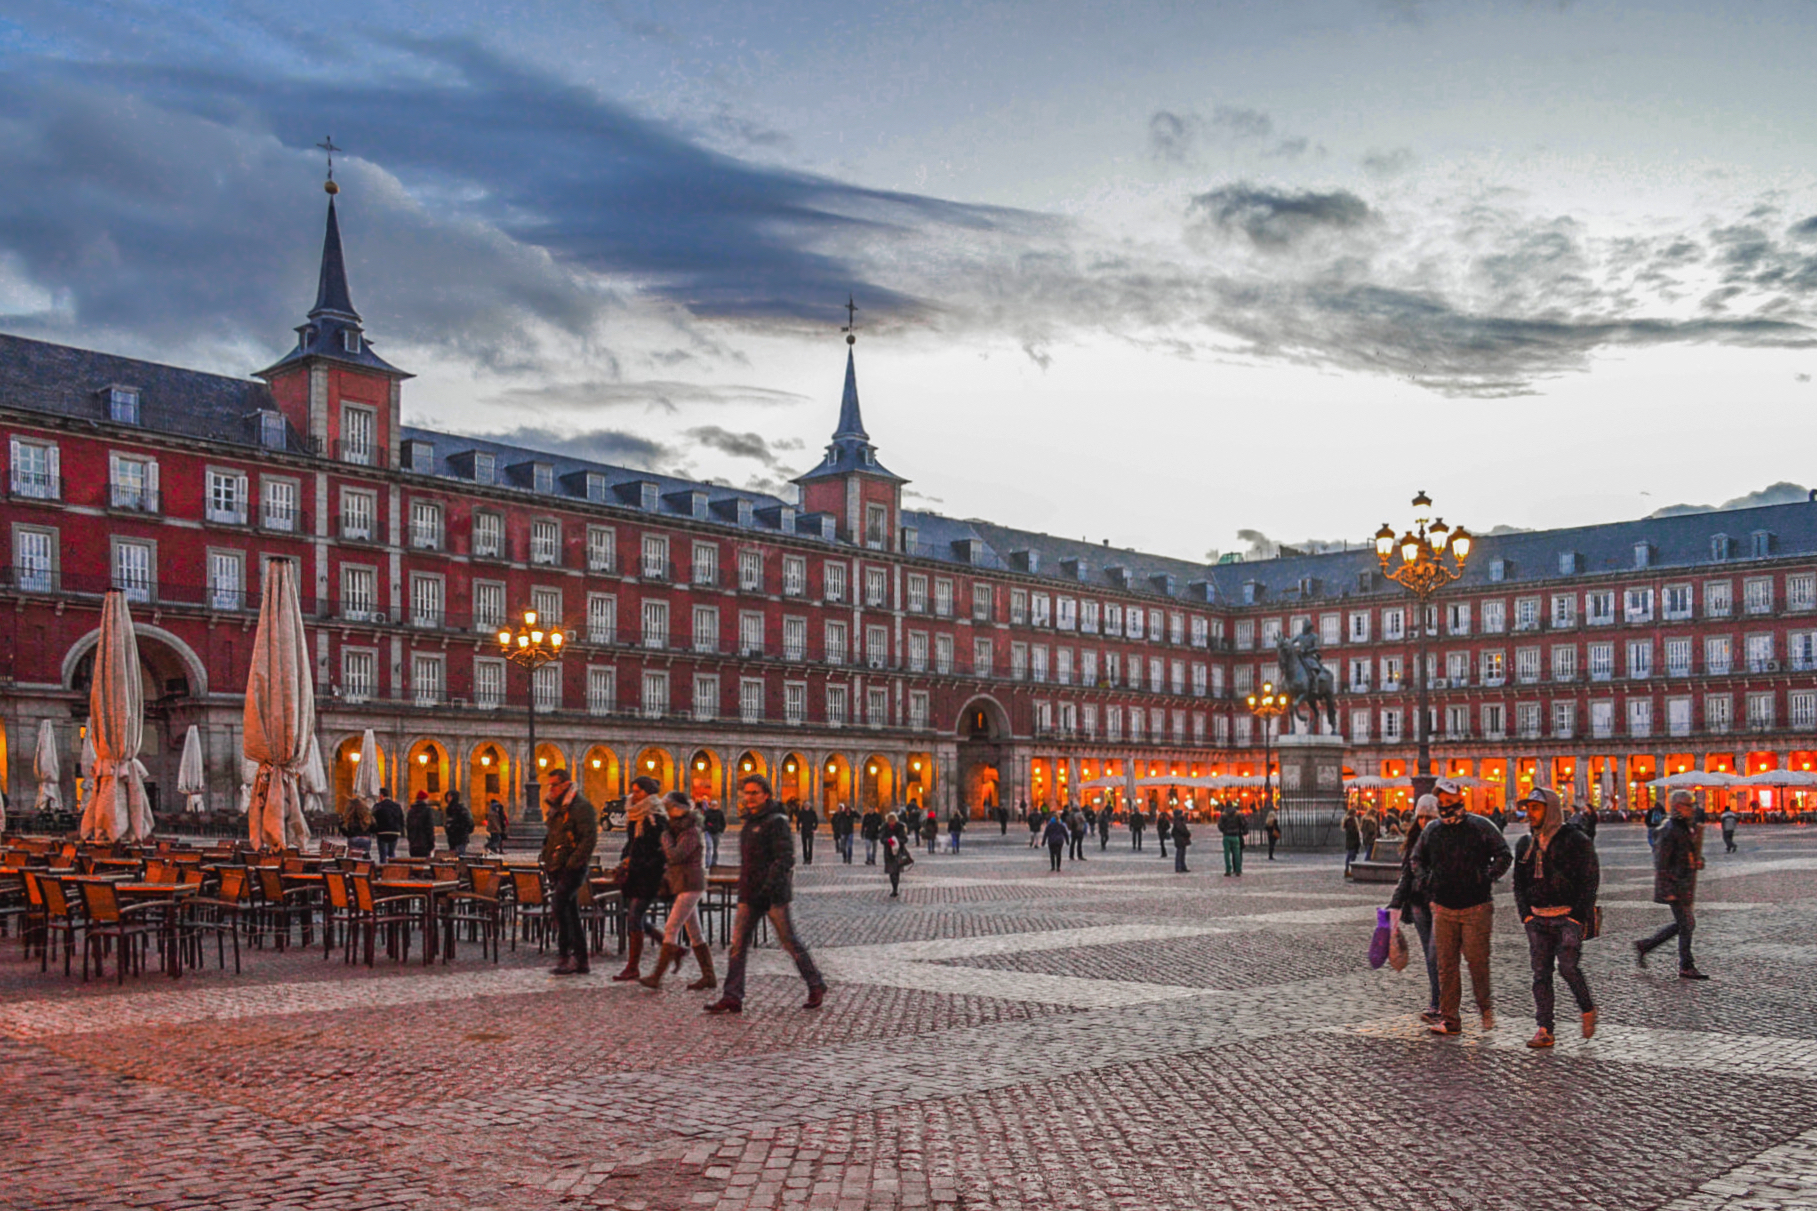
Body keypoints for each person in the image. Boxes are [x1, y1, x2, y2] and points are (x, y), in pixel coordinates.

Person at [705, 775, 827, 1014]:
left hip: (773, 896)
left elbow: (784, 859)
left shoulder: (776, 821)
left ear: (766, 795)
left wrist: (768, 889)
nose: (749, 797)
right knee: (737, 945)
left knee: (789, 941)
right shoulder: (750, 822)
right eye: (746, 792)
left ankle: (815, 983)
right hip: (749, 893)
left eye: (754, 793)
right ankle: (732, 996)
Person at [1409, 778, 1513, 1036]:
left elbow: (1504, 853)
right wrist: (1428, 883)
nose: (1444, 806)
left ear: (1459, 799)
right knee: (1446, 965)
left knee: (1477, 962)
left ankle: (1485, 1008)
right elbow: (1416, 858)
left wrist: (1485, 876)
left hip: (1476, 906)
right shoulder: (1433, 830)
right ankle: (1450, 1018)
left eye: (1448, 801)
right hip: (1443, 907)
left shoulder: (1479, 826)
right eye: (1441, 801)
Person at [1512, 786, 1600, 1049]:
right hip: (1537, 918)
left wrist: (1577, 917)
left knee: (1568, 968)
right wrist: (1525, 914)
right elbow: (1518, 882)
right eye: (1528, 808)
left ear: (1550, 809)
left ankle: (1586, 1008)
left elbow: (1590, 879)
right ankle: (1544, 1028)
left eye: (1535, 808)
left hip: (1566, 916)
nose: (1530, 813)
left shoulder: (1575, 840)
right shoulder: (1525, 843)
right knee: (1540, 974)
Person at [640, 791, 716, 992]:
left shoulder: (690, 831)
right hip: (682, 883)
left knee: (671, 927)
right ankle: (709, 976)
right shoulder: (676, 829)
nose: (667, 811)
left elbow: (676, 855)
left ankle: (657, 976)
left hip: (690, 883)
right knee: (694, 932)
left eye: (670, 806)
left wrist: (664, 836)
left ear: (680, 808)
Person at [1636, 790, 1709, 980]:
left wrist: (1698, 861)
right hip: (1675, 886)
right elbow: (1661, 862)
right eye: (1689, 805)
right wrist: (1667, 890)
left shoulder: (1684, 827)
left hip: (1683, 883)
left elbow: (1688, 855)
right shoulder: (1669, 829)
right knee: (1687, 924)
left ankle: (1646, 945)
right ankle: (1686, 965)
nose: (1693, 809)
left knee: (1684, 924)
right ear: (1678, 807)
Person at [1387, 796, 1443, 1026]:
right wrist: (1395, 904)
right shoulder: (1413, 842)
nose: (1424, 821)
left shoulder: (1444, 840)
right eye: (1420, 816)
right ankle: (1437, 1002)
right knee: (1431, 958)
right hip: (1419, 905)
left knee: (1436, 954)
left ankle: (1442, 1002)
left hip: (1440, 906)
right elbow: (1406, 877)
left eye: (1429, 817)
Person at [539, 767, 598, 976]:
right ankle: (581, 960)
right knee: (570, 912)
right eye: (550, 785)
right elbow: (553, 836)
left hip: (573, 868)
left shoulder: (580, 807)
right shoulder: (557, 807)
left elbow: (588, 839)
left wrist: (573, 862)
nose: (551, 789)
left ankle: (567, 955)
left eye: (554, 785)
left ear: (565, 784)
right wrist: (546, 858)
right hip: (557, 866)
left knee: (559, 905)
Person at [611, 776, 670, 983]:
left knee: (635, 916)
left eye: (637, 791)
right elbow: (632, 843)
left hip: (649, 875)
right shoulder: (635, 815)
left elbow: (660, 850)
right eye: (632, 790)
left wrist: (639, 862)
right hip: (634, 872)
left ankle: (632, 967)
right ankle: (674, 948)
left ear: (648, 793)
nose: (633, 795)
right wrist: (624, 860)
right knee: (636, 918)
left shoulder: (656, 817)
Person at [882, 811, 911, 896]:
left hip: (898, 852)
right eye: (890, 820)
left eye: (892, 820)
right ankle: (893, 886)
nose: (891, 822)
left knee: (896, 871)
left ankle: (895, 888)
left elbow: (905, 839)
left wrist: (897, 841)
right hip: (888, 852)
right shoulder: (885, 827)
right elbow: (881, 838)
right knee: (891, 871)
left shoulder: (900, 827)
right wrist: (888, 841)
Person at [372, 788, 404, 863]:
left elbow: (373, 820)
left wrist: (374, 831)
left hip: (382, 832)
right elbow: (401, 819)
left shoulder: (378, 806)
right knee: (391, 852)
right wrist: (400, 830)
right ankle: (392, 869)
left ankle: (384, 870)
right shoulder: (397, 806)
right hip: (394, 832)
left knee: (383, 854)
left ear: (381, 795)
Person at [1218, 800, 1247, 877]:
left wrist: (1224, 830)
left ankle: (1228, 870)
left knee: (1227, 854)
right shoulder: (1237, 814)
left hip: (1227, 835)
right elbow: (1242, 823)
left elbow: (1220, 825)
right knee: (1237, 854)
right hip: (1235, 835)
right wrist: (1239, 829)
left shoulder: (1223, 814)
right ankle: (1238, 870)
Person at [405, 791, 436, 859]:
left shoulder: (411, 810)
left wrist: (411, 840)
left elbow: (408, 827)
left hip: (413, 845)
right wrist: (431, 843)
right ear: (425, 799)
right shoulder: (427, 810)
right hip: (425, 844)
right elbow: (429, 828)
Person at [442, 791, 474, 858]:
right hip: (457, 838)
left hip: (457, 838)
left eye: (449, 796)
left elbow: (469, 823)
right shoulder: (458, 809)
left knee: (458, 857)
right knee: (458, 857)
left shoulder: (454, 810)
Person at [701, 798, 726, 869]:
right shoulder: (707, 812)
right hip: (708, 832)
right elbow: (704, 821)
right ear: (711, 805)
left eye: (715, 805)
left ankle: (714, 863)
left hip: (717, 832)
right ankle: (707, 863)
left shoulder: (720, 813)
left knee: (715, 848)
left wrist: (721, 830)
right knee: (708, 847)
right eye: (713, 805)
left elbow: (723, 822)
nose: (714, 806)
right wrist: (705, 828)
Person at [795, 800, 819, 864]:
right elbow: (798, 821)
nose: (806, 807)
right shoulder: (801, 813)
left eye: (807, 806)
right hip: (804, 830)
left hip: (810, 830)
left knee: (810, 845)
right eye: (805, 806)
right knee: (804, 845)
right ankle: (805, 858)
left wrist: (814, 828)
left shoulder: (812, 813)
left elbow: (816, 821)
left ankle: (810, 859)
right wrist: (798, 829)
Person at [1342, 808, 1361, 875]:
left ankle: (1349, 870)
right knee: (1351, 855)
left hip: (1352, 840)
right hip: (1352, 841)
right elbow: (1352, 831)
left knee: (1352, 855)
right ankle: (1348, 870)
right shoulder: (1351, 820)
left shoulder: (1350, 820)